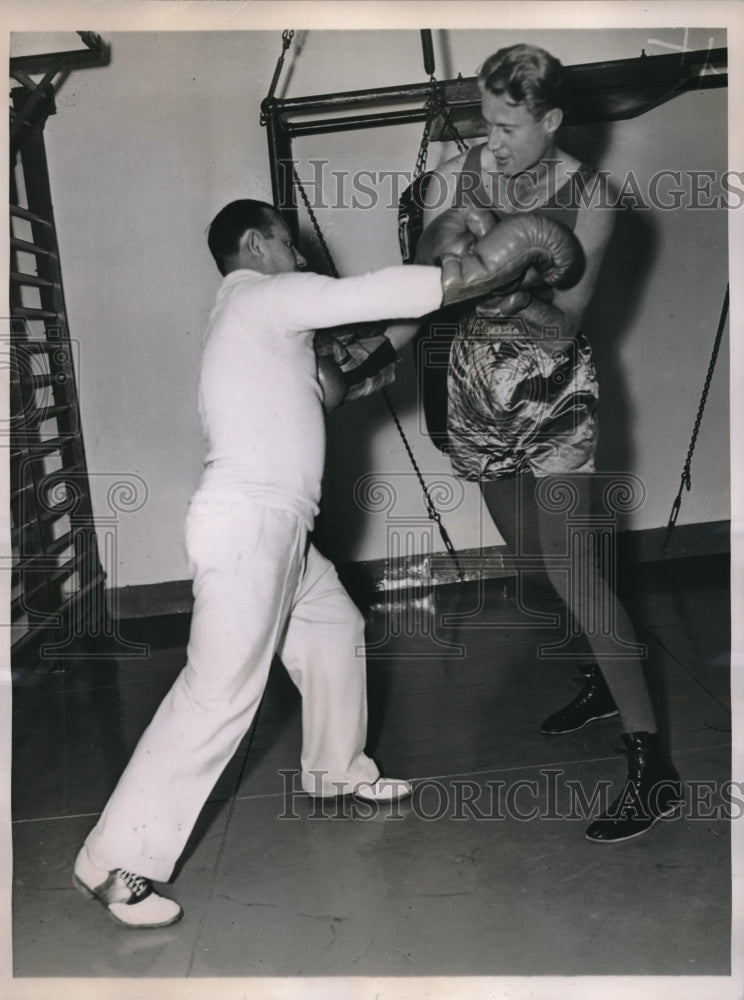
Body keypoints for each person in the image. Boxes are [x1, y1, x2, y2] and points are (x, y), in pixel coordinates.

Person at [72, 197, 537, 928]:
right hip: (250, 529)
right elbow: (360, 296)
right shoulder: (260, 297)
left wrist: (398, 333)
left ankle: (333, 768)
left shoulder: (254, 330)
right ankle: (112, 862)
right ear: (256, 244)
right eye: (290, 244)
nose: (302, 258)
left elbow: (333, 385)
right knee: (218, 694)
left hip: (278, 533)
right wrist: (469, 271)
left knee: (331, 627)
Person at [416, 44, 681, 843]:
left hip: (554, 394)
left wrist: (511, 273)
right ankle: (598, 680)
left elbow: (568, 322)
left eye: (506, 126)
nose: (489, 140)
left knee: (574, 567)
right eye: (483, 122)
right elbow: (425, 275)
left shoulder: (593, 198)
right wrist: (446, 244)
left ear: (550, 120)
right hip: (475, 393)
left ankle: (652, 764)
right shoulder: (455, 173)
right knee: (531, 556)